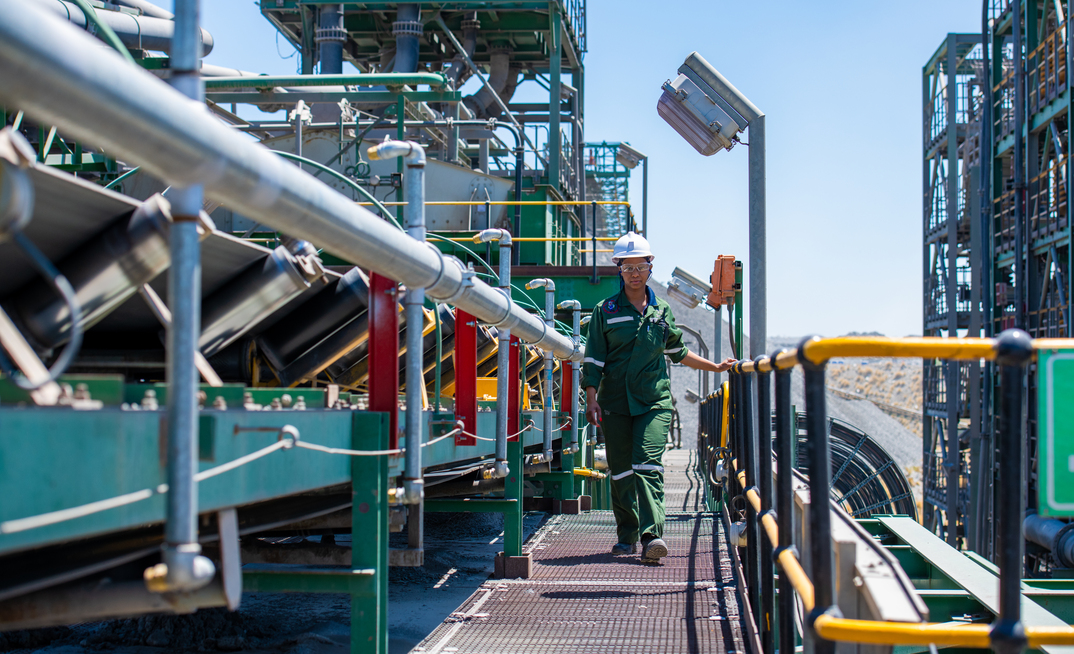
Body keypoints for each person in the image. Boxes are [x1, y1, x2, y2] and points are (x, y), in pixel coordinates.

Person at [581, 232, 736, 561]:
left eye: (640, 267)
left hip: (653, 402)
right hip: (615, 403)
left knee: (647, 463)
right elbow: (593, 359)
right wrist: (591, 398)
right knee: (621, 471)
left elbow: (678, 351)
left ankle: (652, 536)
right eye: (628, 268)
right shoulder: (605, 311)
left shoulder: (661, 311)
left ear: (650, 267)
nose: (634, 274)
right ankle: (627, 535)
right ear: (619, 270)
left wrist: (715, 366)